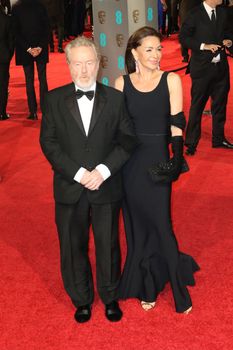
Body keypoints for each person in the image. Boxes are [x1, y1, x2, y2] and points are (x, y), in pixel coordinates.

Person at [40, 36, 138, 323]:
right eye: (77, 64)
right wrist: (80, 173)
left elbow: (127, 140)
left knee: (108, 244)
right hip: (70, 185)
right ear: (68, 65)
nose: (84, 71)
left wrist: (103, 171)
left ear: (99, 63)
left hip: (106, 184)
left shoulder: (116, 98)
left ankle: (109, 297)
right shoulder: (54, 99)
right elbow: (49, 143)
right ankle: (81, 299)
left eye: (89, 63)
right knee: (72, 245)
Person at [115, 26, 199, 314]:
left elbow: (177, 120)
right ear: (134, 52)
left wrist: (175, 159)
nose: (156, 54)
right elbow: (118, 130)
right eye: (149, 49)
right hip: (130, 164)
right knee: (138, 228)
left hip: (158, 160)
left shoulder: (171, 79)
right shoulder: (121, 83)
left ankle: (177, 288)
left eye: (159, 48)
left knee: (162, 225)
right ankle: (146, 284)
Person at [179, 0, 233, 155]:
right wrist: (203, 46)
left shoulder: (223, 12)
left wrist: (228, 41)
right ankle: (191, 143)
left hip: (221, 68)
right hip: (202, 69)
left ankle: (219, 138)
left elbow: (228, 32)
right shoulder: (194, 14)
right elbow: (184, 37)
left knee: (220, 105)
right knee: (197, 106)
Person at [12, 0, 49, 120]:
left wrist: (28, 48)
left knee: (29, 80)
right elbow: (47, 28)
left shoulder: (16, 8)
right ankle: (45, 109)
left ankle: (32, 112)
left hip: (25, 50)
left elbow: (16, 32)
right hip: (40, 49)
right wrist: (39, 47)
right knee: (42, 79)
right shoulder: (41, 6)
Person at [0, 3, 14, 121]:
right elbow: (11, 42)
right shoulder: (6, 20)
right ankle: (2, 113)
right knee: (3, 85)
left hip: (4, 56)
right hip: (3, 56)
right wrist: (8, 56)